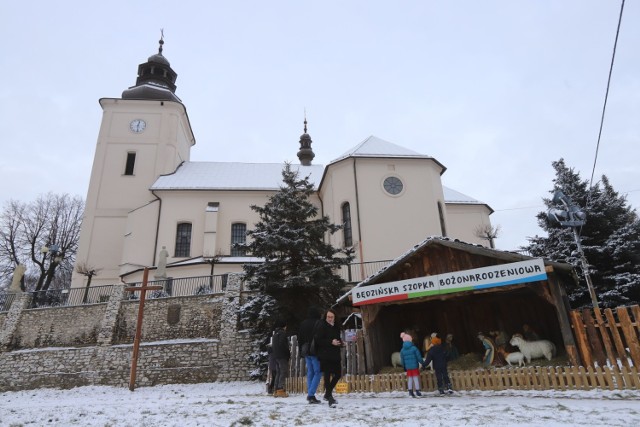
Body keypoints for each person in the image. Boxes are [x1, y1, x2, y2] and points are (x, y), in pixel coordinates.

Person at [314, 308, 343, 406]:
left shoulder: (336, 326)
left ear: (335, 317)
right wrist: (331, 342)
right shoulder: (322, 326)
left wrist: (341, 343)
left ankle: (327, 394)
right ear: (325, 317)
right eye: (328, 317)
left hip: (335, 354)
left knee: (338, 374)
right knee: (327, 376)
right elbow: (318, 340)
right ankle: (330, 398)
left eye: (332, 317)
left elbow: (337, 338)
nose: (330, 319)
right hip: (325, 354)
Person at [297, 306, 323, 404]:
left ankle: (310, 393)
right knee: (318, 372)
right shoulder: (319, 323)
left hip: (306, 351)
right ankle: (311, 395)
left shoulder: (303, 323)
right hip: (316, 351)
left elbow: (299, 338)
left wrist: (301, 352)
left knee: (310, 372)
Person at [399, 332, 423, 397]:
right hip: (414, 366)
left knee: (410, 379)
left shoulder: (402, 350)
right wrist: (422, 363)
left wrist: (404, 367)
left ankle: (410, 391)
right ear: (410, 340)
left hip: (408, 367)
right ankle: (417, 391)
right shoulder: (414, 348)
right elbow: (419, 357)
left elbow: (402, 360)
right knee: (415, 378)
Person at [272, 319, 290, 397]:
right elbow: (283, 345)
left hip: (276, 355)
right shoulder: (283, 333)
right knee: (283, 372)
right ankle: (280, 389)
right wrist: (288, 353)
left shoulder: (275, 334)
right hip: (282, 355)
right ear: (284, 326)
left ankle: (276, 390)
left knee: (278, 372)